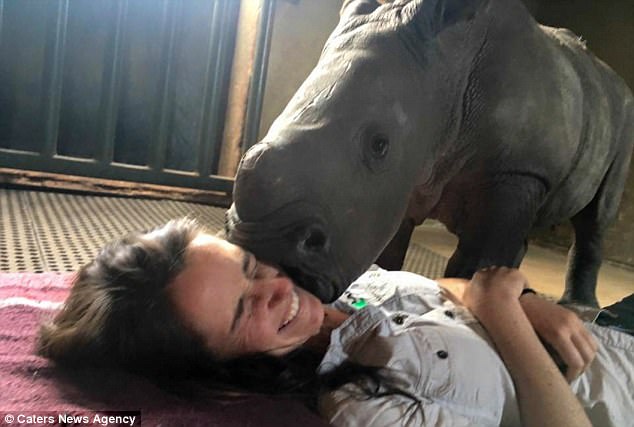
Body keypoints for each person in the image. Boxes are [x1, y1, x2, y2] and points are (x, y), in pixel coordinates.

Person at [37, 219, 634, 426]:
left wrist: (525, 303)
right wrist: (505, 311)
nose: (275, 288)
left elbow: (445, 289)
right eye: (245, 310)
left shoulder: (350, 289)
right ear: (219, 366)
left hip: (610, 327)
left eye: (248, 267)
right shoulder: (364, 402)